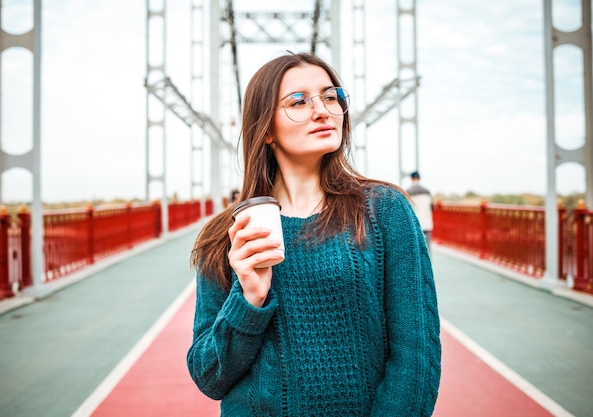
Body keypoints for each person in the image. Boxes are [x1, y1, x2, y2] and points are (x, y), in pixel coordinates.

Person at [187, 52, 441, 416]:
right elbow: (209, 376)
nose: (322, 110)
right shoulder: (226, 234)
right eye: (299, 101)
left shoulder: (385, 210)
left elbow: (416, 360)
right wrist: (249, 300)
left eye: (330, 96)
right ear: (266, 130)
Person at [406, 171, 434, 251]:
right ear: (419, 178)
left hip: (414, 225)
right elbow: (431, 207)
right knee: (427, 250)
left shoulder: (408, 192)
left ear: (411, 179)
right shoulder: (427, 192)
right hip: (427, 224)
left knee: (416, 250)